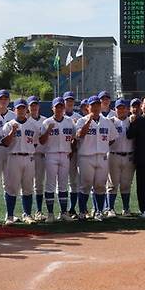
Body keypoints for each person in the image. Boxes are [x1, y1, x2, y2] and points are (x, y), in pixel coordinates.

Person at [75, 96, 117, 221]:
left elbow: (113, 137)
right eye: (93, 105)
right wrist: (89, 121)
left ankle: (98, 211)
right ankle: (82, 211)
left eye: (98, 105)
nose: (96, 107)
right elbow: (79, 135)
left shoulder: (107, 121)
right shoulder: (82, 121)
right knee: (85, 185)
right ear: (88, 107)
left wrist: (104, 147)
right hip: (86, 157)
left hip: (102, 156)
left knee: (100, 185)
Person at [1, 98, 41, 225]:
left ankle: (27, 214)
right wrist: (13, 132)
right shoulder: (8, 125)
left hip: (29, 157)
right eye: (19, 108)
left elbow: (35, 143)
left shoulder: (33, 125)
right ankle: (10, 216)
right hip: (13, 157)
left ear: (26, 109)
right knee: (12, 188)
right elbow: (6, 143)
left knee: (28, 188)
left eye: (23, 108)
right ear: (15, 110)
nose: (21, 110)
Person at [39, 97, 76, 222]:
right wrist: (48, 130)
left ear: (64, 108)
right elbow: (41, 141)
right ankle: (50, 214)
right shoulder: (46, 122)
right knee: (50, 184)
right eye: (57, 106)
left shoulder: (69, 121)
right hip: (51, 155)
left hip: (65, 155)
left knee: (63, 185)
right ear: (52, 108)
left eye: (61, 106)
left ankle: (64, 213)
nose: (59, 109)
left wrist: (71, 151)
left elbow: (74, 138)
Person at [106, 99, 136, 217]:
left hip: (129, 155)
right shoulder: (111, 121)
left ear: (127, 109)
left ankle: (126, 208)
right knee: (112, 184)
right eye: (119, 108)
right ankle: (110, 209)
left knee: (126, 184)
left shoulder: (131, 121)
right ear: (115, 109)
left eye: (123, 108)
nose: (121, 110)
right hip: (114, 155)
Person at [63, 91, 82, 219]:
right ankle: (62, 210)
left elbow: (79, 137)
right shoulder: (58, 115)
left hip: (75, 153)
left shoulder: (79, 117)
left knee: (74, 182)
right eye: (67, 100)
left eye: (71, 100)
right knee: (62, 183)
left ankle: (72, 209)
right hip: (63, 153)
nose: (69, 102)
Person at [28, 96, 47, 221]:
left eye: (36, 105)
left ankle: (38, 211)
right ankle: (27, 212)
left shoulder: (45, 121)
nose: (34, 107)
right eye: (31, 105)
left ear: (38, 106)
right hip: (28, 156)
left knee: (39, 184)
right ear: (28, 108)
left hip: (40, 155)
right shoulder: (25, 120)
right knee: (27, 185)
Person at [0, 89, 15, 191]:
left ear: (9, 101)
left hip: (10, 148)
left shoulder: (13, 115)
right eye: (1, 98)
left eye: (6, 99)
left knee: (9, 182)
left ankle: (9, 207)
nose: (3, 101)